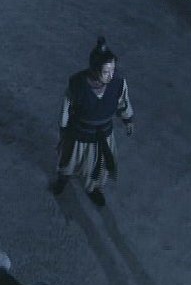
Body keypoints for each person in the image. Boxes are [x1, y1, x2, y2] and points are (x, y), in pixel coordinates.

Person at [51, 37, 134, 206]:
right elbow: (67, 107)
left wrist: (128, 119)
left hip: (103, 134)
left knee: (97, 166)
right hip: (79, 133)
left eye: (113, 70)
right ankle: (63, 178)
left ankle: (93, 188)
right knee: (69, 160)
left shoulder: (118, 83)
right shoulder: (78, 85)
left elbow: (123, 102)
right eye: (106, 72)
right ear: (95, 70)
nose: (111, 75)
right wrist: (63, 128)